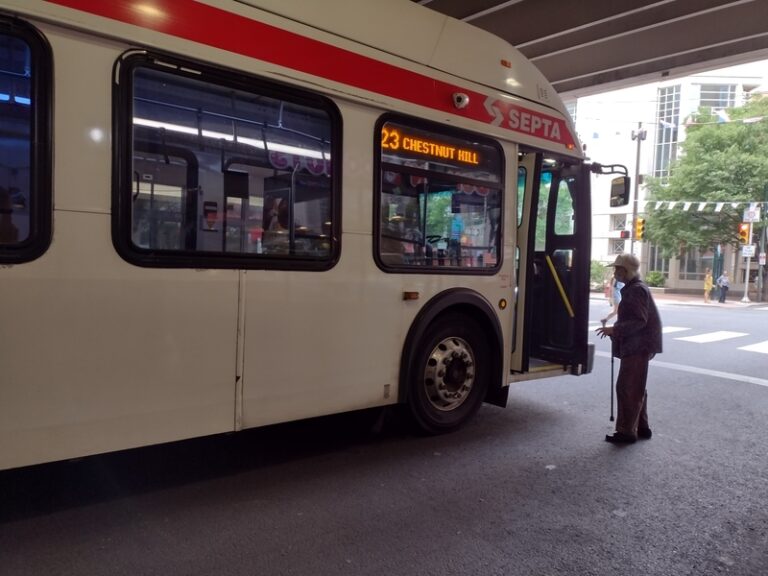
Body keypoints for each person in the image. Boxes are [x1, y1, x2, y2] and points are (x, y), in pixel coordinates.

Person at [596, 253, 663, 444]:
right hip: (640, 344)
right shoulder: (635, 288)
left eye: (618, 269)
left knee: (627, 387)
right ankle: (641, 427)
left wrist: (614, 329)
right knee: (635, 385)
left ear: (627, 271)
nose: (615, 272)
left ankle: (626, 432)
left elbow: (639, 320)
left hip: (638, 344)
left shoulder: (636, 290)